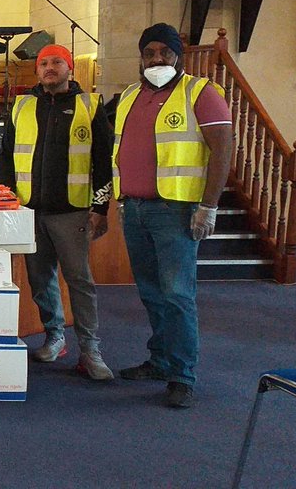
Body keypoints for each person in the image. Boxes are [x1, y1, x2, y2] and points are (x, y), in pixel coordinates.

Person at [113, 23, 234, 408]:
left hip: (177, 212)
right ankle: (160, 360)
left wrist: (208, 206)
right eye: (149, 53)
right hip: (134, 208)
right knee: (151, 293)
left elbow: (222, 152)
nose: (157, 60)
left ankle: (183, 375)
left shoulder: (201, 93)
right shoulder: (131, 94)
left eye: (164, 53)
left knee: (178, 294)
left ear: (178, 56)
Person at [0, 44, 114, 381]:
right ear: (37, 70)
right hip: (28, 211)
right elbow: (5, 155)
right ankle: (55, 337)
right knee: (40, 279)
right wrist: (8, 200)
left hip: (72, 211)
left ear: (70, 68)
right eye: (43, 63)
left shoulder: (88, 106)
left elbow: (103, 162)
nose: (49, 68)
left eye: (57, 62)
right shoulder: (22, 106)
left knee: (80, 280)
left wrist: (101, 207)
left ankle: (91, 351)